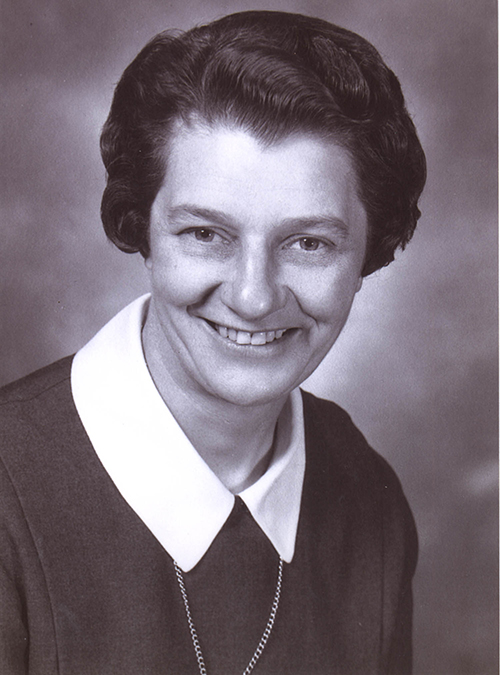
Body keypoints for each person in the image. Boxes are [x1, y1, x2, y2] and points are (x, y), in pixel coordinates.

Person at [0, 10, 426, 675]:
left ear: (368, 252)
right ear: (141, 225)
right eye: (205, 233)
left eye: (309, 242)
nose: (254, 296)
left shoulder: (370, 499)